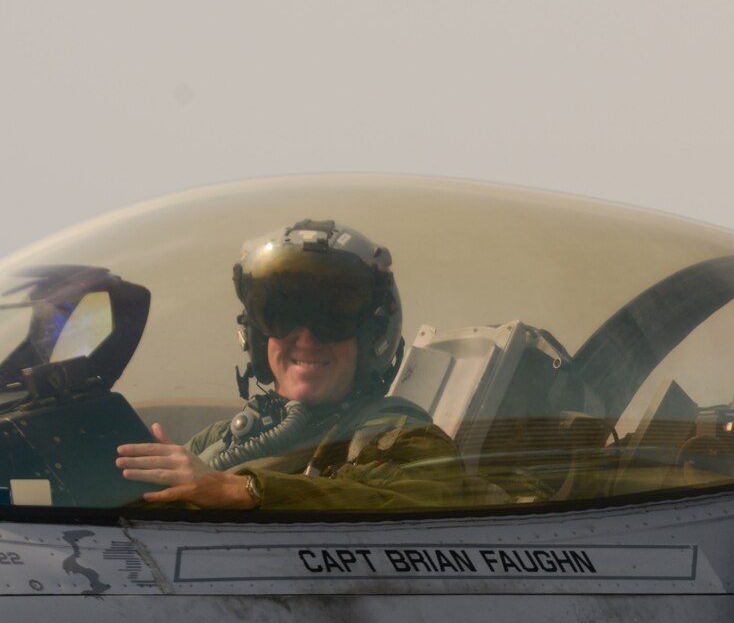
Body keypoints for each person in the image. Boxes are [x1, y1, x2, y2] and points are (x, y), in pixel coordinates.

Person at [116, 219, 488, 512]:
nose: (307, 338)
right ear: (258, 336)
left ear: (372, 335)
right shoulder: (221, 438)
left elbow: (410, 508)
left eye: (334, 319)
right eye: (283, 316)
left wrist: (245, 490)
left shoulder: (404, 435)